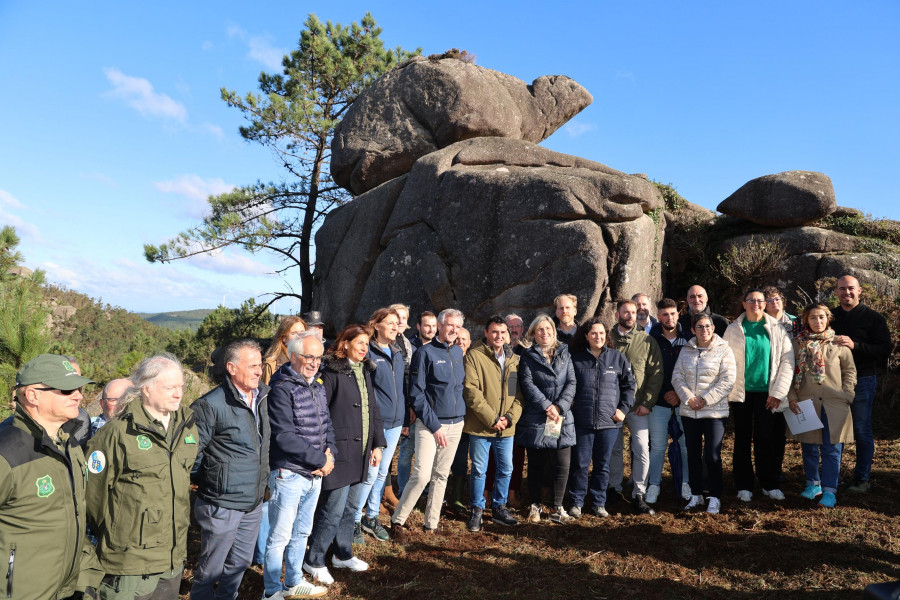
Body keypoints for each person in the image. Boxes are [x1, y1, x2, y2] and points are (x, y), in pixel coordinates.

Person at [85, 353, 199, 600]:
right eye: (170, 387)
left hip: (172, 558)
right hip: (130, 562)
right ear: (146, 390)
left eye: (180, 386)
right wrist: (121, 533)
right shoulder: (117, 433)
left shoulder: (187, 426)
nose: (178, 393)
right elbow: (93, 499)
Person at [1, 354, 94, 600]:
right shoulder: (6, 454)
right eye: (66, 390)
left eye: (79, 388)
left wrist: (84, 582)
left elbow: (76, 517)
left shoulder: (69, 445)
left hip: (68, 589)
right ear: (33, 395)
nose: (78, 395)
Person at [304, 325, 385, 585]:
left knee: (351, 507)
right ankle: (314, 560)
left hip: (361, 451)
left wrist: (377, 444)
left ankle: (342, 553)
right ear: (345, 343)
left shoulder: (365, 371)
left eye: (367, 343)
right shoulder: (330, 373)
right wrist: (324, 448)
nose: (364, 347)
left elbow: (374, 410)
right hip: (338, 451)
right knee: (332, 509)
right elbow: (319, 414)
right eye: (359, 342)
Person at [190, 340, 270, 600]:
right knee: (209, 570)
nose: (259, 371)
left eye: (260, 365)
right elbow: (192, 456)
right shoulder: (210, 405)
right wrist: (215, 481)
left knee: (240, 563)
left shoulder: (264, 397)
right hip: (221, 503)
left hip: (253, 500)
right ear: (232, 368)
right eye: (253, 366)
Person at [263, 332, 334, 600]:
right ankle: (271, 591)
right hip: (289, 473)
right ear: (293, 356)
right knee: (280, 536)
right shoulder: (281, 388)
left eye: (318, 357)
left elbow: (327, 426)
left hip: (314, 474)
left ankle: (293, 581)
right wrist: (321, 460)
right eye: (309, 357)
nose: (314, 362)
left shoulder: (316, 385)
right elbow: (284, 436)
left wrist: (331, 456)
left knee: (302, 532)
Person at [391, 309, 467, 543]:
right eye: (450, 325)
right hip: (430, 424)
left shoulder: (457, 352)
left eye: (457, 326)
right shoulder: (424, 353)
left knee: (441, 475)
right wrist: (435, 426)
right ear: (440, 326)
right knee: (422, 475)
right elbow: (417, 393)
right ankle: (397, 521)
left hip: (456, 423)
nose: (453, 329)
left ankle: (431, 524)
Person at [723, 288, 795, 502]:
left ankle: (769, 483)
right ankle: (743, 484)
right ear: (743, 304)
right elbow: (725, 362)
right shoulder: (733, 329)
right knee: (742, 439)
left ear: (765, 304)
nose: (756, 304)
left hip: (769, 394)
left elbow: (787, 361)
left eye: (760, 300)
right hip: (741, 394)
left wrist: (779, 393)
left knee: (766, 439)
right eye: (751, 300)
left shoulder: (776, 328)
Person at [787, 304, 857, 508]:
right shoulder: (796, 344)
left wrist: (847, 395)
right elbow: (788, 373)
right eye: (812, 318)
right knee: (808, 447)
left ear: (828, 319)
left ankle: (829, 490)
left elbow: (850, 372)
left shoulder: (840, 344)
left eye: (821, 317)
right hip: (805, 402)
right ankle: (812, 484)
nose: (817, 322)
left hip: (834, 404)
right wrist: (791, 397)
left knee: (832, 448)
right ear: (806, 321)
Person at [568, 318, 635, 518]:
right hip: (582, 422)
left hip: (610, 422)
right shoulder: (575, 358)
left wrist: (623, 409)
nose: (598, 337)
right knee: (580, 464)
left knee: (602, 464)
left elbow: (629, 386)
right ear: (586, 336)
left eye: (601, 333)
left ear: (607, 336)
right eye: (593, 333)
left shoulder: (617, 358)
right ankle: (576, 502)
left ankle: (598, 503)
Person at [831, 275, 892, 493]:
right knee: (833, 430)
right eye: (842, 289)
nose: (847, 293)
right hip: (832, 381)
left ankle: (861, 479)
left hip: (863, 380)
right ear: (836, 292)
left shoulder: (873, 318)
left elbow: (885, 349)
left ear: (860, 291)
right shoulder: (830, 316)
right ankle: (832, 479)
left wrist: (855, 345)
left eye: (851, 289)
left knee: (861, 429)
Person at [462, 315, 523, 531]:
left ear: (507, 335)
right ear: (486, 333)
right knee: (479, 469)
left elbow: (518, 395)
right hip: (481, 426)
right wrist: (492, 419)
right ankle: (476, 510)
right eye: (494, 332)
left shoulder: (514, 359)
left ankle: (499, 507)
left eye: (502, 332)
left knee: (506, 469)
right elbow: (471, 392)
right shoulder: (474, 356)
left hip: (506, 428)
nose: (499, 336)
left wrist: (509, 418)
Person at [672, 314, 737, 515]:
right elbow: (677, 377)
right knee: (692, 454)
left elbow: (727, 380)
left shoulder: (724, 349)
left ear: (713, 328)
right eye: (699, 326)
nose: (704, 330)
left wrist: (705, 400)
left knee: (712, 455)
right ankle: (696, 493)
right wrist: (689, 399)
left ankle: (714, 496)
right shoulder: (686, 350)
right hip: (689, 412)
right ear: (693, 330)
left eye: (708, 326)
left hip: (715, 412)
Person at [516, 314, 577, 524]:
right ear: (533, 333)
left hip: (561, 416)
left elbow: (572, 381)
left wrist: (559, 407)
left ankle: (557, 507)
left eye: (548, 329)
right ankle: (535, 505)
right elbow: (527, 385)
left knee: (562, 464)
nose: (545, 333)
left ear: (554, 331)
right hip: (537, 417)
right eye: (540, 330)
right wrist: (547, 406)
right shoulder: (527, 356)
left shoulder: (564, 352)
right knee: (536, 464)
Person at [354, 308, 406, 543]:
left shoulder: (397, 352)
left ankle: (371, 517)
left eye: (398, 323)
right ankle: (354, 519)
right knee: (370, 472)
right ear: (376, 325)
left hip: (396, 422)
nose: (396, 327)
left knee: (383, 472)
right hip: (376, 422)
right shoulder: (368, 353)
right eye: (391, 323)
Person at [609, 300, 664, 515]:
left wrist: (647, 402)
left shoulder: (647, 341)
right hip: (611, 408)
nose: (631, 316)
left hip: (638, 407)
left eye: (633, 312)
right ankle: (613, 488)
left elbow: (655, 374)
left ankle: (639, 493)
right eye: (626, 312)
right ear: (617, 315)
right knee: (614, 450)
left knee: (641, 448)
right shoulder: (606, 339)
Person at [647, 298, 691, 504]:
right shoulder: (650, 338)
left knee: (685, 445)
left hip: (684, 400)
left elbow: (694, 370)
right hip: (659, 401)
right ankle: (654, 485)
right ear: (658, 316)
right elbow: (648, 370)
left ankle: (686, 483)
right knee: (657, 446)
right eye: (665, 314)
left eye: (673, 314)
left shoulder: (689, 337)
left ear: (678, 314)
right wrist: (665, 391)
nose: (669, 318)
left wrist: (679, 393)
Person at [396, 310, 438, 497]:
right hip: (413, 407)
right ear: (419, 327)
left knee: (429, 455)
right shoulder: (409, 347)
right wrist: (410, 408)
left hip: (433, 410)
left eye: (434, 326)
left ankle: (425, 488)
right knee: (406, 453)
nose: (430, 329)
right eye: (426, 325)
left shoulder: (440, 347)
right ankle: (403, 488)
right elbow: (407, 381)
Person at [382, 303, 413, 511]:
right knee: (381, 456)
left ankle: (386, 491)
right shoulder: (386, 345)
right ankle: (382, 494)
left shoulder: (406, 344)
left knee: (390, 455)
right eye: (395, 318)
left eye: (403, 318)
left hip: (401, 404)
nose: (400, 322)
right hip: (385, 408)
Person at [261, 315, 307, 384]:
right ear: (284, 338)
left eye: (302, 333)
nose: (299, 336)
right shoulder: (271, 366)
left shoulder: (311, 362)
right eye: (294, 333)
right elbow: (264, 393)